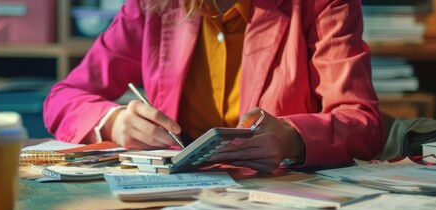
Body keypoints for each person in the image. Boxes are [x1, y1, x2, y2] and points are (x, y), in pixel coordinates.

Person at [43, 0, 385, 173]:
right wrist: (115, 122)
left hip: (278, 205)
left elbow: (362, 122)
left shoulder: (321, 4)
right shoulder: (152, 7)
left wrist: (292, 138)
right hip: (175, 205)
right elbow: (63, 98)